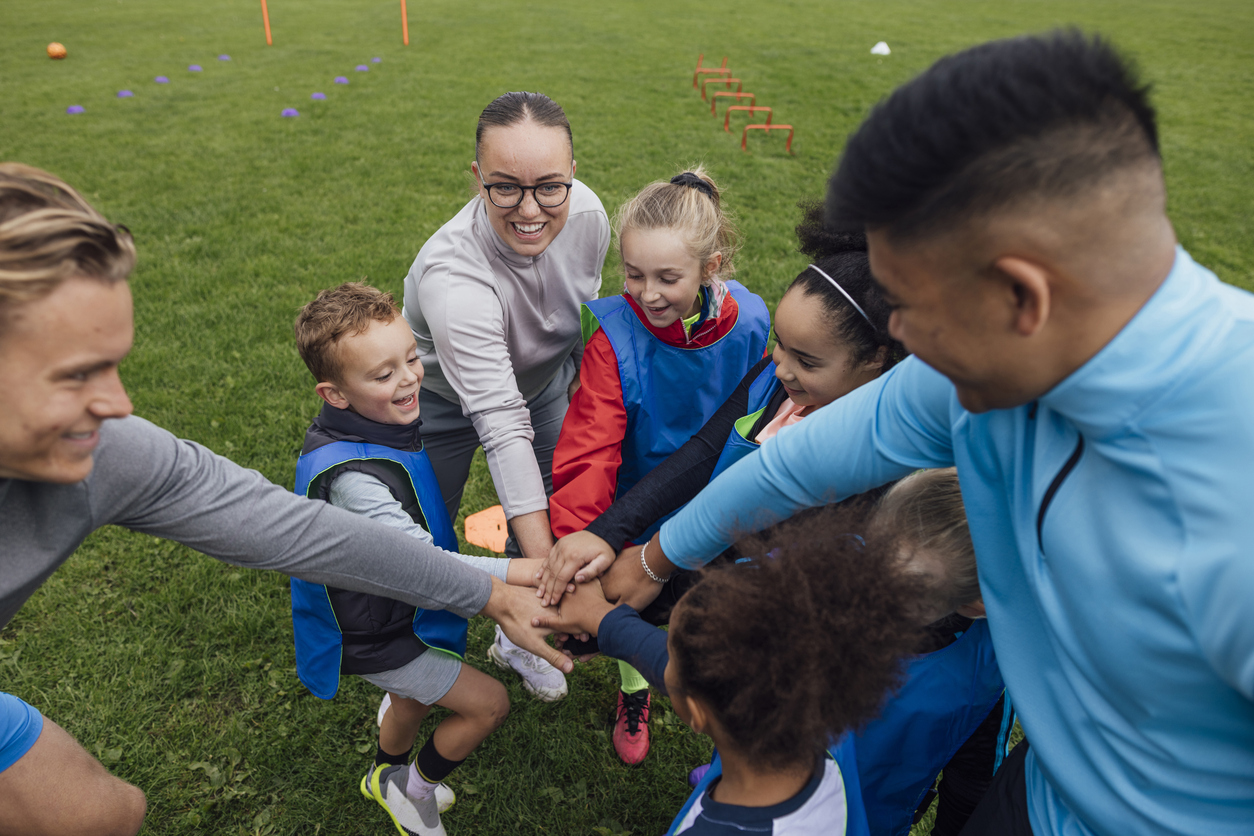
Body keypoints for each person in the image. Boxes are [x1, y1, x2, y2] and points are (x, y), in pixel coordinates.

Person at [568, 31, 1254, 836]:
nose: (898, 350)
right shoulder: (984, 363)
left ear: (1021, 296)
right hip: (1039, 795)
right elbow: (794, 468)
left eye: (911, 312)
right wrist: (656, 556)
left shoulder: (1228, 517)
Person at [0, 164, 570, 836]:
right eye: (74, 375)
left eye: (114, 365)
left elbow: (314, 537)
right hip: (382, 635)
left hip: (406, 622)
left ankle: (391, 774)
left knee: (106, 816)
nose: (119, 406)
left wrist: (497, 589)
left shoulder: (113, 452)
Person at [541, 202, 901, 608]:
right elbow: (704, 452)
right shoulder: (772, 381)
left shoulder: (871, 455)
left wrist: (648, 579)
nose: (780, 367)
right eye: (779, 344)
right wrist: (606, 533)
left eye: (807, 361)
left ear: (875, 357)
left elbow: (758, 552)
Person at [292, 283, 548, 836]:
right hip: (378, 633)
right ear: (335, 394)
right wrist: (523, 571)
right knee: (489, 705)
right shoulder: (354, 481)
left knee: (410, 703)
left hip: (391, 612)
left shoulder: (378, 424)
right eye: (383, 374)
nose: (409, 378)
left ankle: (383, 773)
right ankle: (414, 791)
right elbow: (425, 566)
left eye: (411, 357)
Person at [547, 166, 770, 764]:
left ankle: (725, 727)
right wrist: (582, 547)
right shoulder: (614, 338)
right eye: (633, 274)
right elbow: (589, 452)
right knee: (631, 600)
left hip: (721, 502)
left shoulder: (754, 322)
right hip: (635, 501)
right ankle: (635, 687)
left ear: (711, 266)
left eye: (668, 278)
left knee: (713, 610)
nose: (647, 294)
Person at [402, 91, 611, 702]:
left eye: (549, 187)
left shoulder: (589, 217)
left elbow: (582, 314)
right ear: (477, 179)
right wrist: (555, 578)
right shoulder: (453, 279)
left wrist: (579, 386)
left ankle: (518, 639)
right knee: (421, 537)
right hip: (435, 407)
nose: (530, 209)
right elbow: (500, 425)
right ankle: (418, 658)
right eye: (505, 188)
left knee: (551, 506)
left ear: (572, 173)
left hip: (540, 387)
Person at [534, 511, 922, 836]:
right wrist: (602, 620)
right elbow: (697, 676)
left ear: (696, 713)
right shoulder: (828, 742)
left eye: (670, 653)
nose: (662, 656)